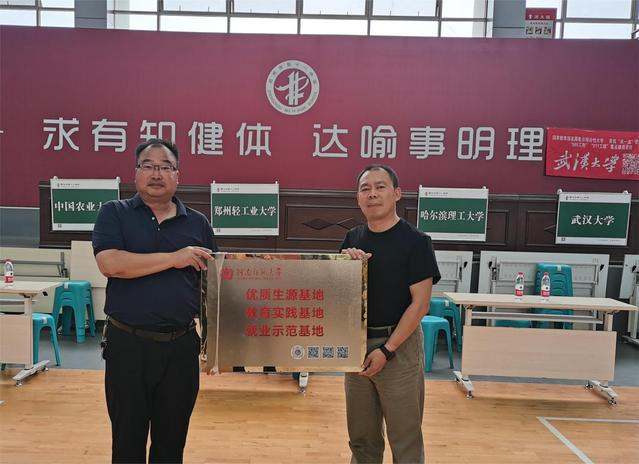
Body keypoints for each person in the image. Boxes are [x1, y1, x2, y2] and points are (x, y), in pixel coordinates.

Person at [93, 138, 217, 463]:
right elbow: (111, 264)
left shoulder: (198, 223)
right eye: (148, 166)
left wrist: (218, 345)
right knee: (127, 443)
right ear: (136, 173)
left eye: (165, 167)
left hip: (181, 348)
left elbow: (212, 287)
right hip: (127, 346)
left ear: (177, 175)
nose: (156, 174)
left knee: (171, 445)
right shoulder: (114, 213)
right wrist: (175, 258)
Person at [341, 164, 440, 464]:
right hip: (356, 347)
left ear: (397, 193)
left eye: (380, 187)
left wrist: (387, 349)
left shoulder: (416, 242)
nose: (372, 194)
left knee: (405, 440)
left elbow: (420, 304)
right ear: (358, 198)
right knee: (362, 440)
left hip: (399, 348)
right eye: (365, 189)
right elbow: (340, 297)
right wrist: (343, 266)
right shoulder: (352, 239)